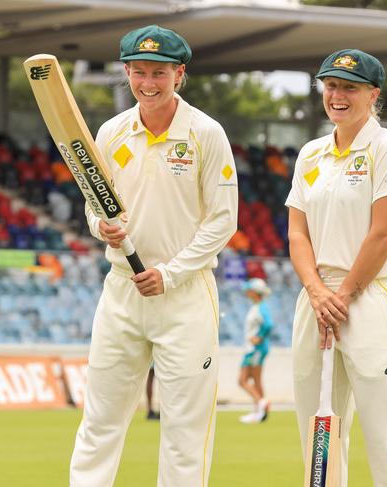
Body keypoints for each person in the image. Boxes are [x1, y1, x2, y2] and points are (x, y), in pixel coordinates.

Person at [70, 25, 238, 487]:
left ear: (179, 74)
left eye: (159, 73)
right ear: (126, 72)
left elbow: (223, 221)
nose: (148, 82)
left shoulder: (206, 132)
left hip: (184, 297)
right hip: (122, 291)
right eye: (139, 72)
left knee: (185, 429)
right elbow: (94, 201)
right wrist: (99, 226)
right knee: (100, 421)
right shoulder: (109, 132)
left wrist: (171, 273)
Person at [286, 49, 387, 486]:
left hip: (369, 298)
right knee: (319, 438)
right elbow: (297, 234)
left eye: (349, 87)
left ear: (373, 94)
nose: (338, 95)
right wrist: (316, 292)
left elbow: (382, 234)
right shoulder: (310, 154)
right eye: (331, 85)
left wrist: (341, 296)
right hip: (316, 298)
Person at [237, 277, 273, 424]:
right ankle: (259, 413)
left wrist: (259, 337)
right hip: (254, 348)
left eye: (249, 290)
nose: (247, 292)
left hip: (255, 349)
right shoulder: (257, 307)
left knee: (243, 380)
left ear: (255, 292)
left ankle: (261, 403)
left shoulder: (260, 308)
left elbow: (269, 325)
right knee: (256, 381)